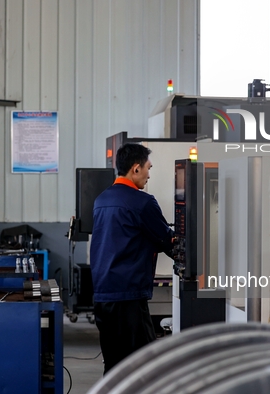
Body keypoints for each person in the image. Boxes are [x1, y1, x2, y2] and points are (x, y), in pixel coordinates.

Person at [90, 143, 174, 374]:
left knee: (114, 363)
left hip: (103, 294)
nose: (149, 173)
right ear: (136, 169)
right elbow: (168, 241)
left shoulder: (101, 200)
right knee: (144, 365)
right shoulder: (142, 202)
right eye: (148, 167)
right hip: (128, 297)